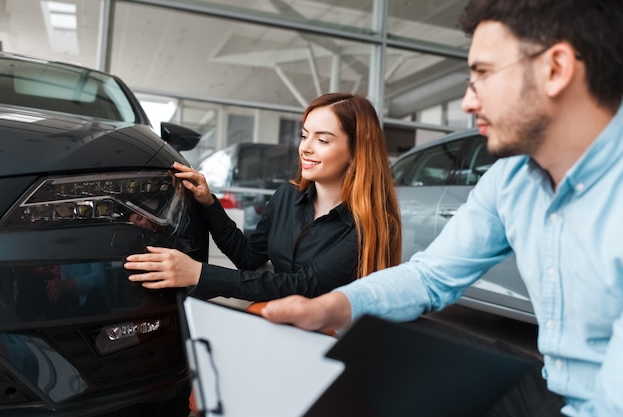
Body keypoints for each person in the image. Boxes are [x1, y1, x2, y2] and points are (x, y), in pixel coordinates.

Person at [261, 1, 623, 416]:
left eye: (483, 74)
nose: (468, 101)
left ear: (555, 69)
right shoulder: (512, 180)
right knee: (381, 342)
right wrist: (328, 307)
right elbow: (430, 278)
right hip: (553, 385)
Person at [124, 93, 402, 301]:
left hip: (329, 337)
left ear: (356, 153)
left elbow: (303, 286)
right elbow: (248, 258)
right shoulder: (287, 196)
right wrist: (208, 202)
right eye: (305, 136)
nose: (305, 148)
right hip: (278, 322)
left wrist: (199, 273)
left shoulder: (372, 224)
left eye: (323, 140)